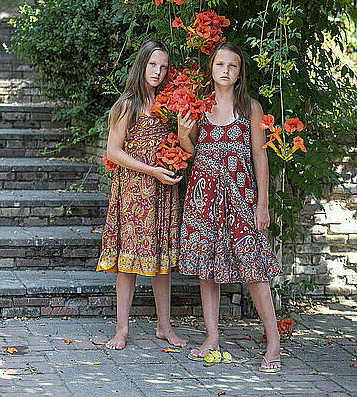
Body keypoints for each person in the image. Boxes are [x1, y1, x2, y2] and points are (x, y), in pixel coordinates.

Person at [178, 42, 282, 373]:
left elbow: (260, 155)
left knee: (255, 267)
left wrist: (263, 203)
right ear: (211, 69)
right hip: (204, 196)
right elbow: (191, 151)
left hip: (242, 197)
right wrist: (182, 134)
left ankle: (274, 341)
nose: (225, 70)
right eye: (220, 64)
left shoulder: (250, 106)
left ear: (239, 73)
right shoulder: (199, 106)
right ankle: (211, 338)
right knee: (207, 269)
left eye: (232, 65)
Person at [97, 39, 186, 350]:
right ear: (142, 64)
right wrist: (151, 171)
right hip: (134, 192)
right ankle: (122, 329)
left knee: (161, 261)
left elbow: (182, 142)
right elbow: (113, 151)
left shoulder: (169, 104)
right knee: (129, 263)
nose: (158, 72)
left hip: (163, 190)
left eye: (163, 67)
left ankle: (165, 327)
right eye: (152, 65)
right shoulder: (127, 105)